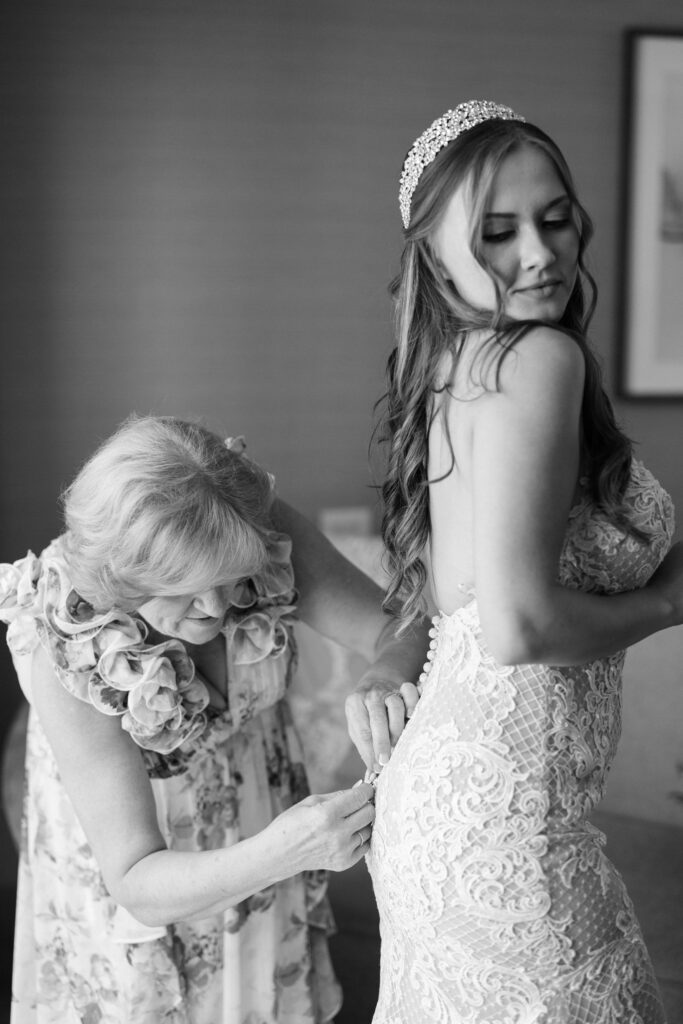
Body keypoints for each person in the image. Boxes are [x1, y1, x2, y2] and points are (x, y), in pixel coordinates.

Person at [367, 100, 683, 1023]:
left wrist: (389, 659)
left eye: (554, 218)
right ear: (432, 253)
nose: (540, 253)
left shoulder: (451, 363)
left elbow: (445, 589)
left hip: (441, 808)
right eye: (497, 233)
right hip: (506, 823)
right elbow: (515, 625)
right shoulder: (539, 359)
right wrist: (665, 602)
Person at [0, 414, 426, 1024]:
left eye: (230, 580)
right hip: (150, 896)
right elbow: (134, 880)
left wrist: (384, 674)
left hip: (265, 843)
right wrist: (283, 851)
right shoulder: (68, 649)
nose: (219, 607)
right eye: (186, 591)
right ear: (119, 578)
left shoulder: (248, 529)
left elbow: (401, 627)